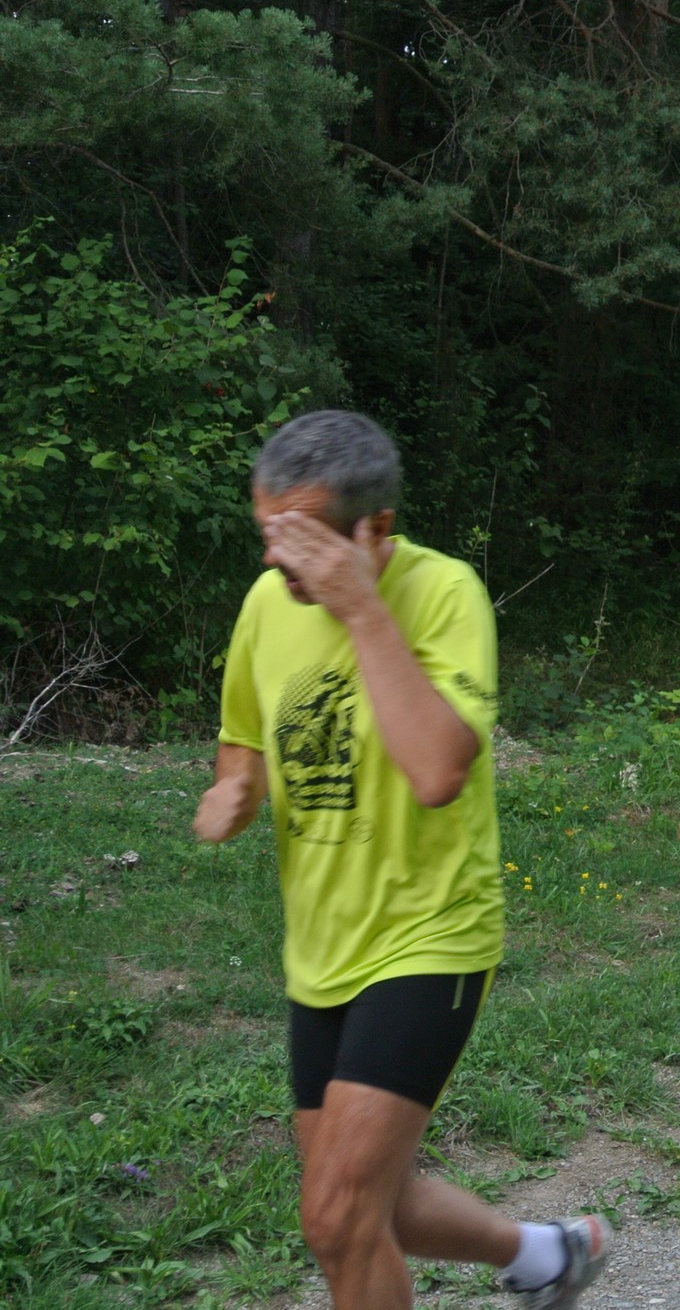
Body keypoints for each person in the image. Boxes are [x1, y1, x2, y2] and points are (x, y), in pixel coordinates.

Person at [193, 410, 609, 1310]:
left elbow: (436, 770)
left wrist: (359, 606)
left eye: (301, 537)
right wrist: (235, 790)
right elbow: (242, 738)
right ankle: (546, 1253)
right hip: (321, 945)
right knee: (358, 1205)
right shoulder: (267, 601)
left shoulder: (445, 591)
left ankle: (544, 1256)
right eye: (268, 533)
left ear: (375, 527)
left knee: (339, 1213)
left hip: (431, 933)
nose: (276, 557)